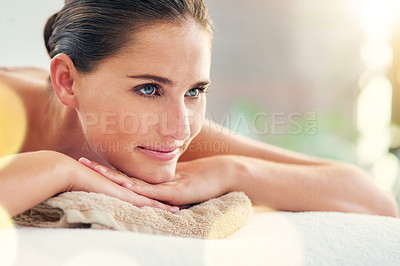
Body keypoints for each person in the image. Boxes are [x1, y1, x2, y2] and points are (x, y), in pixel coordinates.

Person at [0, 0, 398, 218]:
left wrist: (231, 170)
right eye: (149, 89)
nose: (179, 128)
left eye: (195, 90)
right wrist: (57, 169)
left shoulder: (176, 136)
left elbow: (373, 200)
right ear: (67, 81)